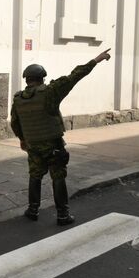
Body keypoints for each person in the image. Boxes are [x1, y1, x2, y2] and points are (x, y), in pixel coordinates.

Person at [10, 48, 111, 226]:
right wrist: (96, 59)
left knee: (35, 175)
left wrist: (23, 140)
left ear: (27, 79)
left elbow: (15, 123)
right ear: (42, 78)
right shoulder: (51, 92)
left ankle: (32, 210)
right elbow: (75, 76)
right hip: (52, 144)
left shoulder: (18, 98)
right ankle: (63, 215)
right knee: (58, 176)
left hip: (33, 145)